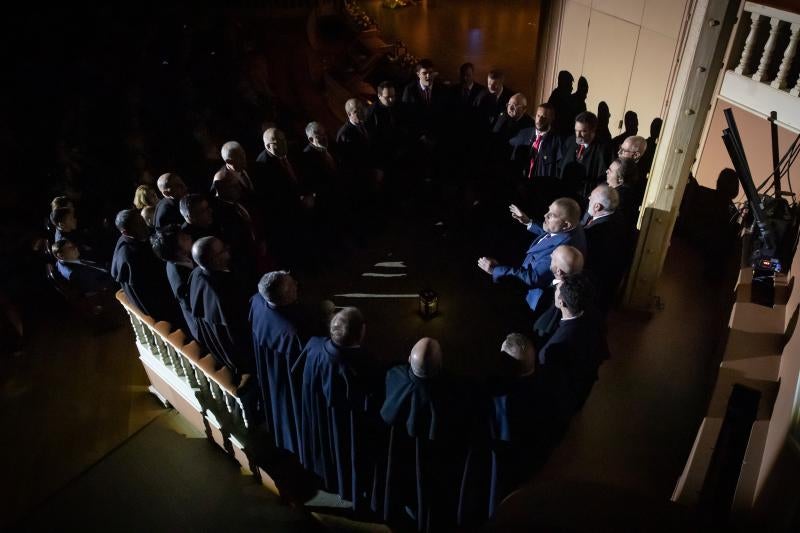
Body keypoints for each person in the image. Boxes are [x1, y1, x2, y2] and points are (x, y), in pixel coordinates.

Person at [378, 337, 469, 530]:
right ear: (441, 365)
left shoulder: (394, 376)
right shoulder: (454, 392)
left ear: (409, 359)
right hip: (435, 459)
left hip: (400, 452)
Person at [299, 307, 383, 510]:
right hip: (349, 424)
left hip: (319, 413)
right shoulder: (364, 365)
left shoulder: (313, 346)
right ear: (361, 332)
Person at [477, 198, 587, 313]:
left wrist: (495, 270)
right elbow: (553, 236)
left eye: (552, 215)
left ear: (566, 225)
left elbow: (532, 278)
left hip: (528, 295)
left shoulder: (561, 251)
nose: (545, 215)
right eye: (548, 210)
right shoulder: (573, 226)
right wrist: (528, 222)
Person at [249, 270, 308, 453]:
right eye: (292, 285)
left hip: (269, 367)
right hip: (288, 375)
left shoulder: (257, 302)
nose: (296, 284)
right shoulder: (292, 330)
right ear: (285, 296)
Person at [538, 273, 607, 413]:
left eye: (557, 288)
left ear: (561, 302)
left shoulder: (553, 348)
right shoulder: (594, 315)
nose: (556, 287)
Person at [188, 236, 254, 380]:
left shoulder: (196, 274)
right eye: (223, 250)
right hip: (239, 353)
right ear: (215, 260)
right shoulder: (226, 291)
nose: (228, 249)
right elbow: (238, 331)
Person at [110, 209, 179, 322]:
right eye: (138, 225)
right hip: (159, 307)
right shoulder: (131, 256)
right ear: (125, 232)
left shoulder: (133, 239)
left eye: (142, 221)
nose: (144, 226)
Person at [583, 184, 627, 311]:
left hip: (595, 285)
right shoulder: (616, 215)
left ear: (597, 207)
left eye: (591, 198)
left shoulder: (597, 231)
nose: (589, 197)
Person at [532, 245, 585, 346]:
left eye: (554, 258)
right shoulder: (580, 287)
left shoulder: (559, 301)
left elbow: (542, 329)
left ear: (559, 271)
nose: (551, 255)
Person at [151, 229, 197, 339]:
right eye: (185, 239)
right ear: (179, 252)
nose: (189, 237)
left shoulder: (183, 258)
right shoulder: (181, 282)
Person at [559, 111, 613, 197]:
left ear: (593, 130)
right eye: (576, 130)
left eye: (583, 131)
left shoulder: (604, 149)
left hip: (587, 196)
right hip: (565, 193)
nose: (578, 135)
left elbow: (603, 178)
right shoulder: (570, 141)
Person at [509, 102, 561, 179]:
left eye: (544, 117)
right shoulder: (523, 134)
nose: (539, 120)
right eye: (538, 116)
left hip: (540, 186)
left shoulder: (557, 141)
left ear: (551, 119)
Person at [547, 70, 574, 136]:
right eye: (569, 83)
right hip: (558, 132)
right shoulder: (557, 96)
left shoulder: (561, 95)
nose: (571, 87)